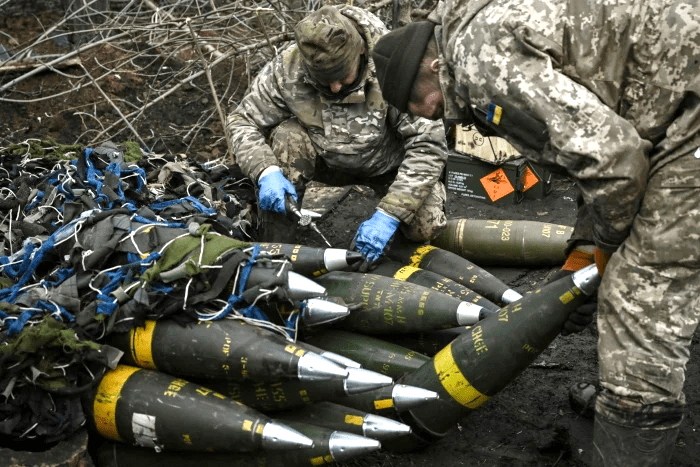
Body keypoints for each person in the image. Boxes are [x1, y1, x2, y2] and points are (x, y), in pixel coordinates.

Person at [371, 1, 700, 465]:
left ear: (432, 66)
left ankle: (634, 414)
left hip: (686, 117)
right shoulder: (476, 31)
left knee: (640, 303)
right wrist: (585, 247)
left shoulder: (477, 63)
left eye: (415, 101)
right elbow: (592, 150)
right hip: (670, 96)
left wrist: (607, 250)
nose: (426, 115)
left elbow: (615, 163)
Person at [226, 5, 449, 267]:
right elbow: (242, 120)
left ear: (361, 51)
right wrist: (265, 171)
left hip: (389, 166)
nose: (335, 87)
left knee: (426, 225)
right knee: (288, 136)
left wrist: (390, 214)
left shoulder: (392, 64)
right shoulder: (288, 67)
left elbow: (428, 145)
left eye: (342, 76)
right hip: (325, 161)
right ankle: (275, 253)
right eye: (324, 79)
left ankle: (393, 252)